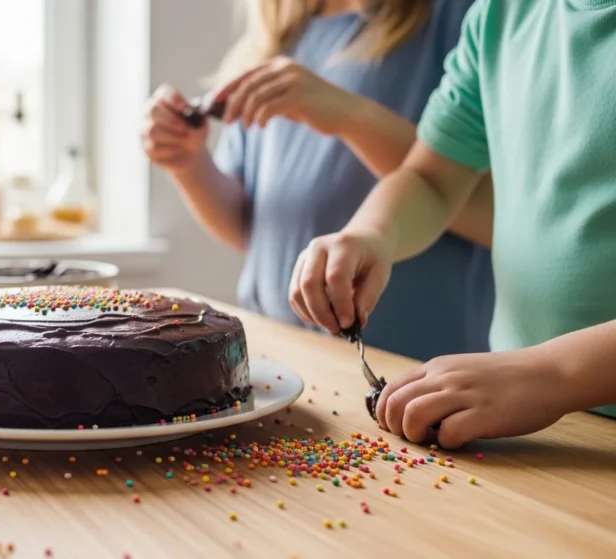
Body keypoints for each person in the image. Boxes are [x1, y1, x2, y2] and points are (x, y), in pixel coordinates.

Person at [289, 0, 616, 448]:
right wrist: (371, 233)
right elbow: (432, 179)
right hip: (528, 429)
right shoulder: (501, 14)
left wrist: (554, 372)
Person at [141, 0, 495, 363]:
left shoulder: (463, 16)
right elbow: (247, 226)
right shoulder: (276, 38)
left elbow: (488, 208)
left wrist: (344, 113)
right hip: (276, 353)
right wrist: (188, 163)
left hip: (414, 367)